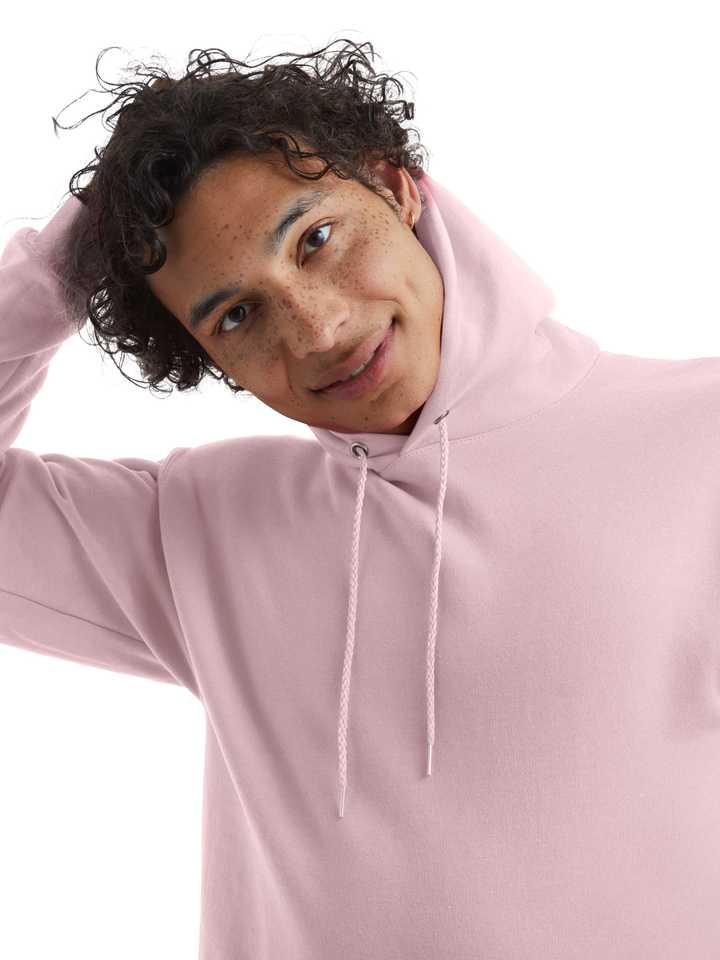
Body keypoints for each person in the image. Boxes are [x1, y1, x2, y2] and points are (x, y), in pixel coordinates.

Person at [3, 38, 720, 959]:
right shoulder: (204, 531)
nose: (320, 331)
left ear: (395, 184)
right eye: (236, 315)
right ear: (210, 358)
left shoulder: (697, 435)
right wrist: (56, 275)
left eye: (316, 239)